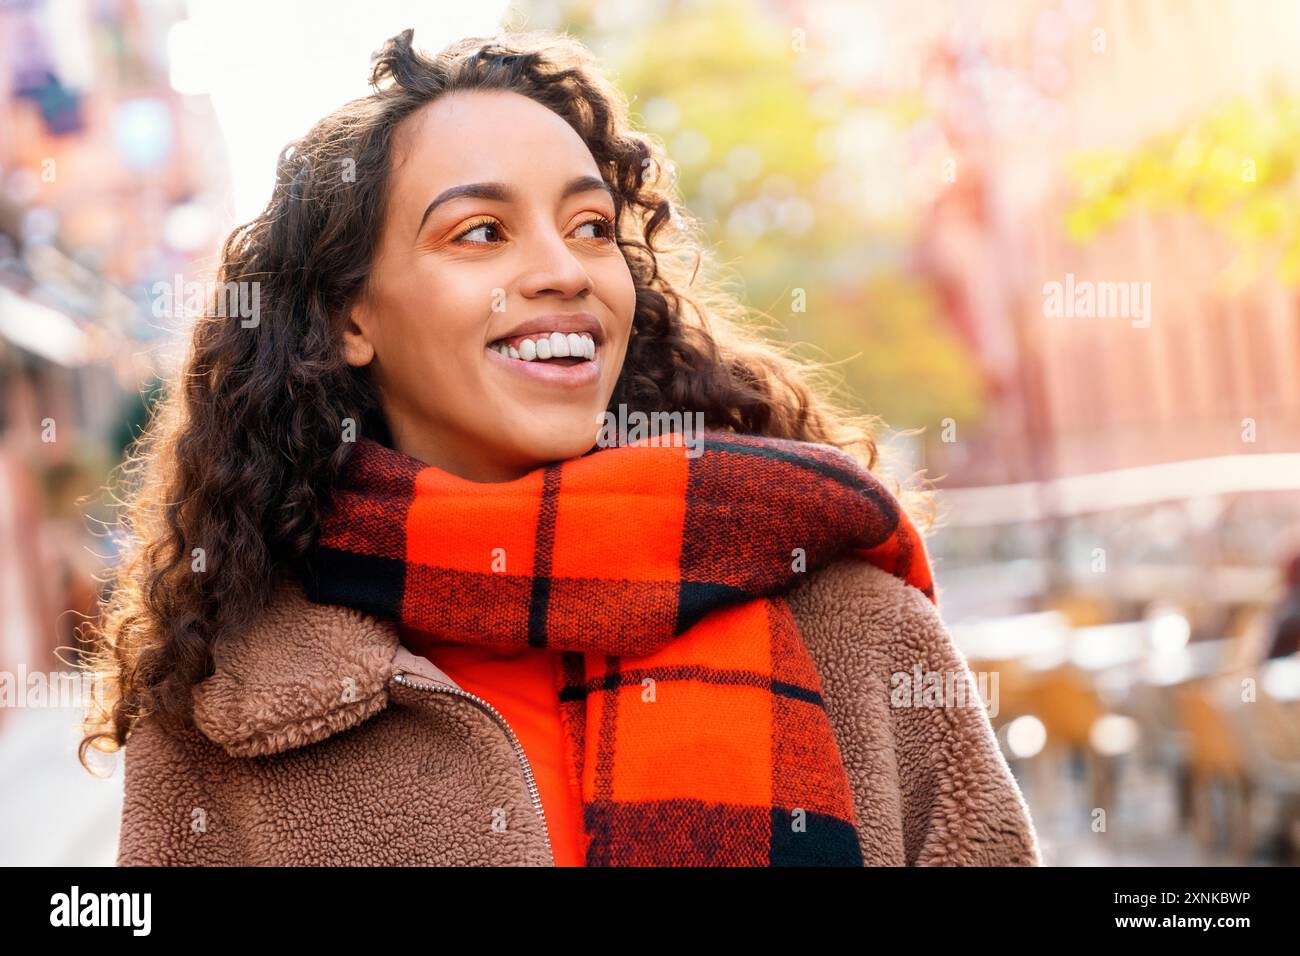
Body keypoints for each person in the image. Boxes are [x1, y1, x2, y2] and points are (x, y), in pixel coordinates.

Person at [81, 29, 1040, 867]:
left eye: (591, 227)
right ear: (349, 316)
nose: (562, 272)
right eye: (482, 232)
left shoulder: (849, 618)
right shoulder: (227, 705)